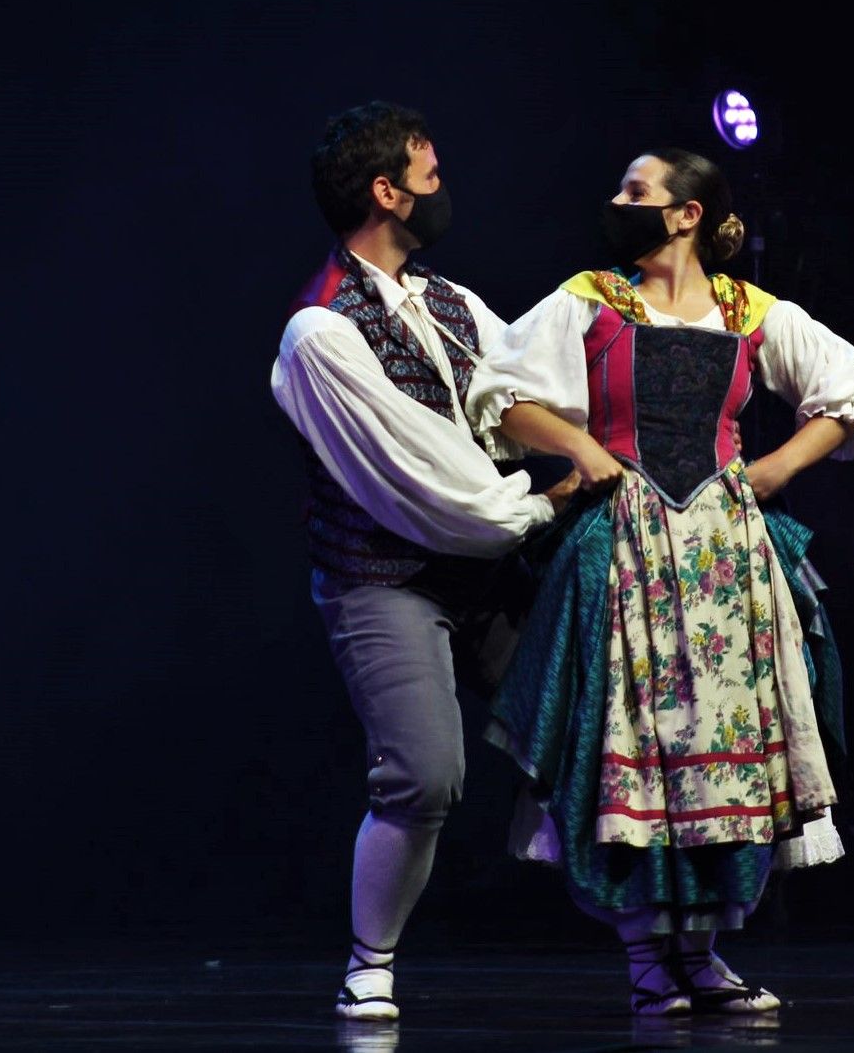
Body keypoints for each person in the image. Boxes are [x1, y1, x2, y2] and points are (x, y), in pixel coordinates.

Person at [465, 147, 854, 1015]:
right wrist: (582, 446)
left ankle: (701, 952)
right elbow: (502, 394)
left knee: (724, 747)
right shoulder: (591, 299)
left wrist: (771, 472)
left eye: (636, 190)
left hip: (725, 558)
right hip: (628, 547)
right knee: (638, 745)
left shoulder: (749, 310)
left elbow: (847, 394)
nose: (618, 200)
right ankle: (646, 957)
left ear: (687, 213)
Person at [269, 100, 577, 1023]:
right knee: (426, 773)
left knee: (593, 725)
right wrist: (546, 498)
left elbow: (519, 382)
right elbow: (430, 487)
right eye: (429, 171)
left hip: (481, 564)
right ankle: (370, 962)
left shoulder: (446, 300)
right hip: (385, 574)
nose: (443, 184)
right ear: (385, 191)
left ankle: (674, 959)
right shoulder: (322, 330)